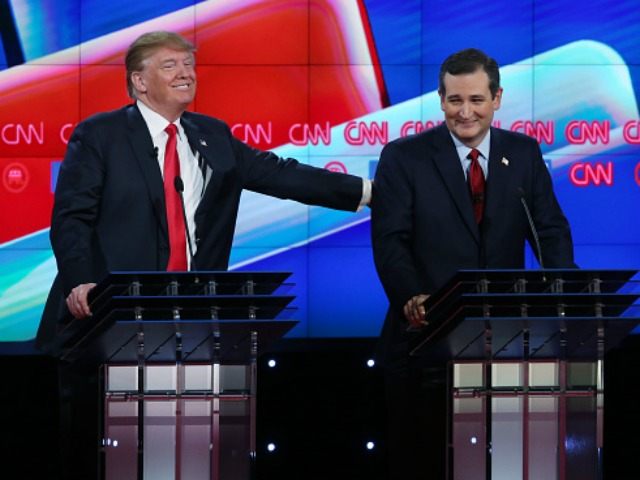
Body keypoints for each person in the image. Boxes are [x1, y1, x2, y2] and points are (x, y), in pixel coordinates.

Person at [36, 31, 370, 479]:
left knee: (188, 456)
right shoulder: (101, 135)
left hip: (190, 324)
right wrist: (80, 279)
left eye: (188, 64)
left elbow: (281, 175)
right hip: (108, 323)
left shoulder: (210, 135)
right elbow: (72, 217)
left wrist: (372, 193)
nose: (186, 73)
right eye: (170, 64)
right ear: (139, 81)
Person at [371, 48, 575, 479]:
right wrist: (411, 295)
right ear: (441, 99)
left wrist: (565, 296)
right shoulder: (404, 157)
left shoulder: (522, 153)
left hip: (505, 343)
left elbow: (550, 231)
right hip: (424, 341)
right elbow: (391, 241)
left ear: (497, 98)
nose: (465, 113)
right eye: (454, 101)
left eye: (476, 100)